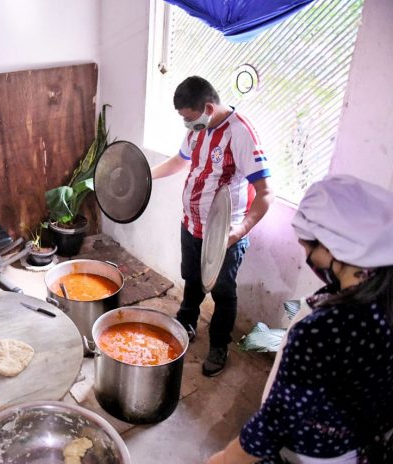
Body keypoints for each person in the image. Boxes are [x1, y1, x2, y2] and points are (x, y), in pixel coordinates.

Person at [208, 175, 393, 464]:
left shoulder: (322, 329)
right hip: (365, 447)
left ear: (331, 247)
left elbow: (277, 419)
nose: (306, 255)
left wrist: (223, 459)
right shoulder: (383, 299)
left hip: (309, 453)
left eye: (308, 247)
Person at [151, 76, 274, 376]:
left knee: (223, 292)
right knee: (191, 279)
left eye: (189, 118)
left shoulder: (240, 133)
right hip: (191, 225)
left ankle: (219, 345)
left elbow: (265, 193)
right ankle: (186, 322)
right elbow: (180, 161)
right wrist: (145, 174)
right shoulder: (197, 129)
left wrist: (240, 231)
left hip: (223, 235)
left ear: (208, 108)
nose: (187, 125)